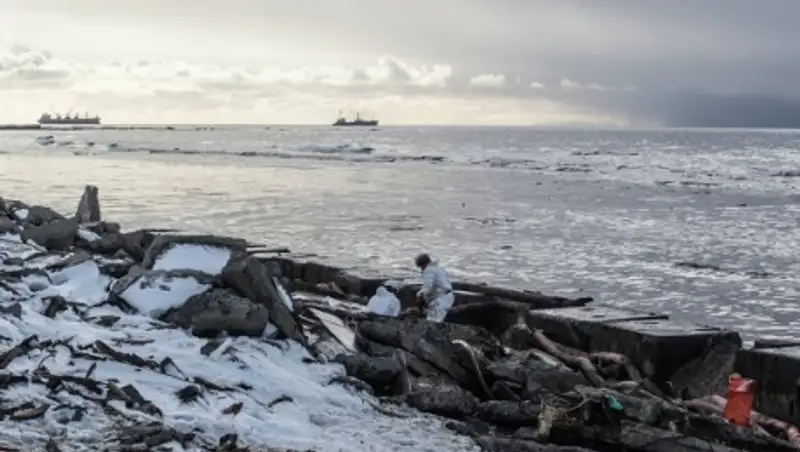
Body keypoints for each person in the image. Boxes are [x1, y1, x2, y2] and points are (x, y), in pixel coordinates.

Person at [414, 253, 454, 323]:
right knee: (436, 320)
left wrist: (420, 296)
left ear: (423, 264)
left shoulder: (429, 270)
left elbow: (428, 288)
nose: (421, 270)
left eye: (421, 267)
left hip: (441, 299)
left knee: (432, 322)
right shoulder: (437, 268)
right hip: (447, 297)